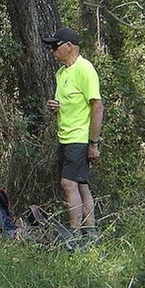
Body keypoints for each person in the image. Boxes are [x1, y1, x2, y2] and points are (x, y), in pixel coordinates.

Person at [43, 26, 103, 248]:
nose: (52, 51)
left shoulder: (85, 69)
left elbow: (97, 107)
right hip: (65, 137)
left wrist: (93, 144)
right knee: (81, 186)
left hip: (79, 138)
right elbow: (68, 103)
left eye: (55, 46)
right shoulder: (61, 73)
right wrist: (56, 107)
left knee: (67, 184)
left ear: (69, 46)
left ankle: (73, 237)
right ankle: (91, 234)